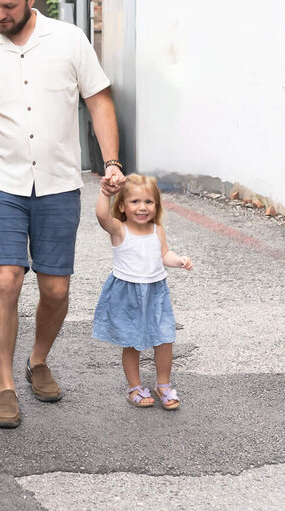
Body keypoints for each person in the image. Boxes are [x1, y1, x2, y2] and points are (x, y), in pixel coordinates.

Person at [0, 0, 125, 429]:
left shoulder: (68, 40)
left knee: (56, 288)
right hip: (3, 183)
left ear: (31, 0)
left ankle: (38, 360)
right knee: (5, 281)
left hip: (58, 183)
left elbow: (99, 99)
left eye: (8, 6)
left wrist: (111, 163)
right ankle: (5, 385)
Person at [92, 174, 193, 410]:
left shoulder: (157, 230)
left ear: (156, 206)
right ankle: (134, 386)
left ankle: (163, 384)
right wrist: (105, 193)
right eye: (135, 202)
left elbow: (163, 254)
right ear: (122, 206)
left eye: (148, 202)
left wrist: (178, 261)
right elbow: (100, 215)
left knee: (165, 338)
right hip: (128, 294)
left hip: (156, 293)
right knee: (132, 343)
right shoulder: (119, 229)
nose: (142, 207)